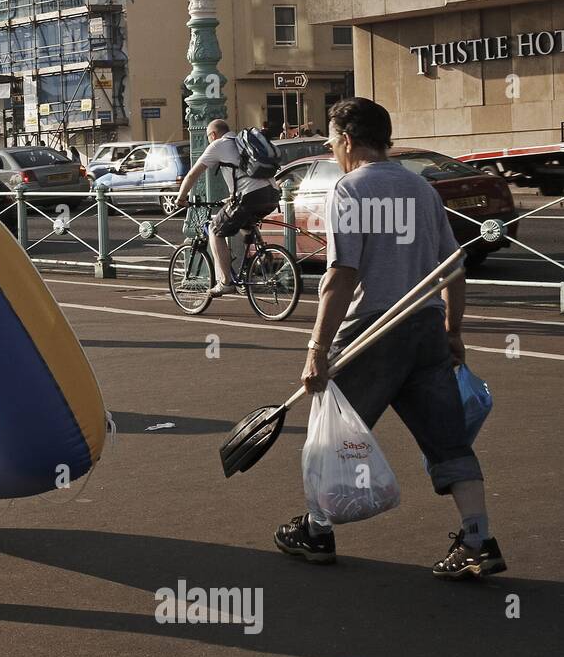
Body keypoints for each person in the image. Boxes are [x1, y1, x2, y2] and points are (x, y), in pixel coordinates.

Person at [274, 97, 501, 580]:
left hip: (372, 331)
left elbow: (341, 273)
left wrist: (316, 349)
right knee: (449, 440)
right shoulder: (421, 189)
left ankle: (317, 530)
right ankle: (479, 537)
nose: (334, 150)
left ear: (348, 140)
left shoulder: (350, 188)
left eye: (333, 142)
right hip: (424, 330)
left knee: (331, 432)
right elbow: (453, 268)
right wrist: (452, 331)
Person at [174, 118, 281, 297]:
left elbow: (193, 174)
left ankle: (225, 282)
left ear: (213, 135)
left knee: (215, 230)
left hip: (249, 196)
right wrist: (232, 197)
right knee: (245, 223)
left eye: (209, 137)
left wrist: (181, 197)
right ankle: (257, 261)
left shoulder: (217, 145)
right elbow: (245, 175)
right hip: (271, 194)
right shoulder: (241, 143)